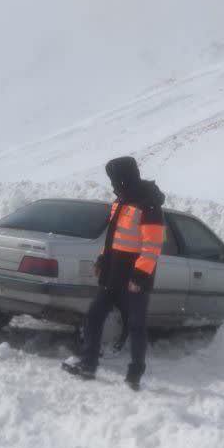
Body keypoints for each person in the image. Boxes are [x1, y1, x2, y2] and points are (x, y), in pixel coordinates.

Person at [62, 156, 165, 391]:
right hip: (113, 274)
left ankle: (135, 374)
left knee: (137, 326)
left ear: (125, 178)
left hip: (135, 278)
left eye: (115, 180)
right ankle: (88, 364)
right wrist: (102, 259)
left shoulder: (148, 205)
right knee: (94, 316)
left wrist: (139, 277)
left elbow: (152, 247)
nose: (112, 185)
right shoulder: (120, 201)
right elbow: (112, 238)